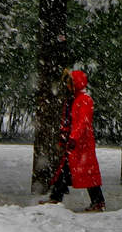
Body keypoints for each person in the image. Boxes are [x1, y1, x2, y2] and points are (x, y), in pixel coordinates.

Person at [45, 68, 106, 211]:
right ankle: (57, 197)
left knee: (84, 172)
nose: (67, 86)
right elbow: (71, 122)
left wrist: (73, 137)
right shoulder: (75, 100)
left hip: (81, 144)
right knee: (72, 170)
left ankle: (57, 198)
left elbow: (83, 122)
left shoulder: (84, 100)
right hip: (77, 143)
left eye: (69, 83)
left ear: (76, 84)